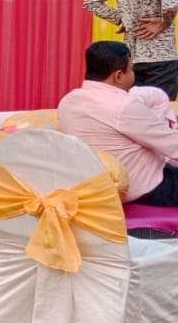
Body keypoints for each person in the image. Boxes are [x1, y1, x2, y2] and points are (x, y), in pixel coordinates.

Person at [58, 41, 178, 207]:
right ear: (119, 76)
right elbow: (173, 146)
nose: (133, 75)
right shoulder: (124, 106)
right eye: (131, 70)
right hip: (143, 187)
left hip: (95, 184)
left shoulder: (68, 101)